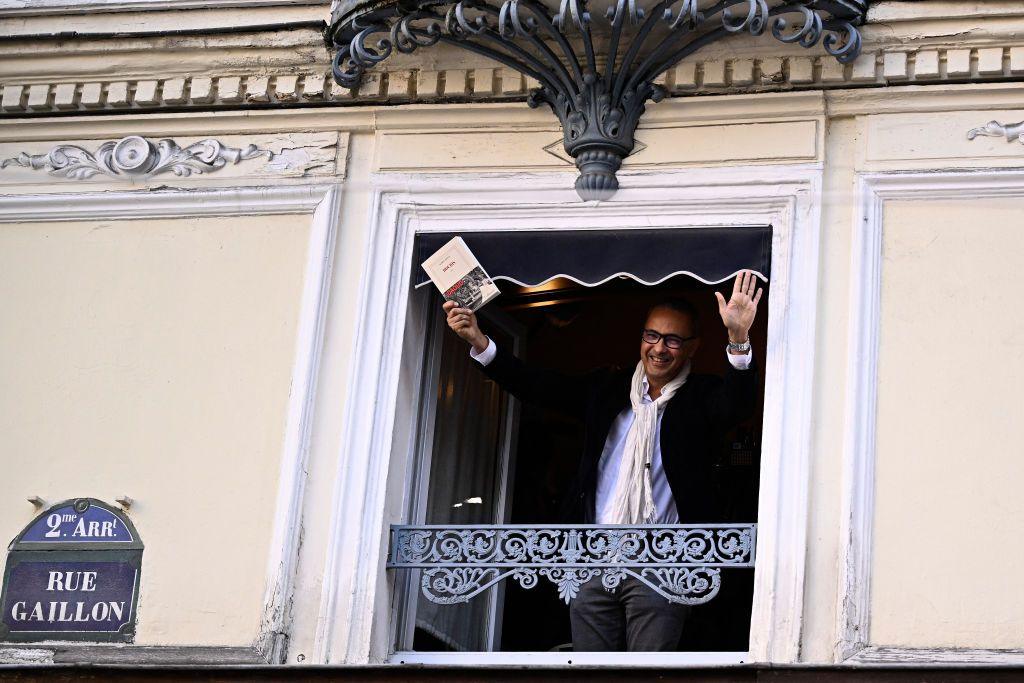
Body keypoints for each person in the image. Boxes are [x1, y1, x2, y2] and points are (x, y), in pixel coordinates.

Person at [442, 270, 763, 652]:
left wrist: (739, 338)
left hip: (662, 564)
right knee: (591, 673)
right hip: (593, 556)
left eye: (674, 340)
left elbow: (738, 403)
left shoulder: (702, 396)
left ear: (693, 347)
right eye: (652, 335)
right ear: (641, 337)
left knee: (649, 675)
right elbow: (539, 385)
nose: (659, 348)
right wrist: (480, 342)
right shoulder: (608, 388)